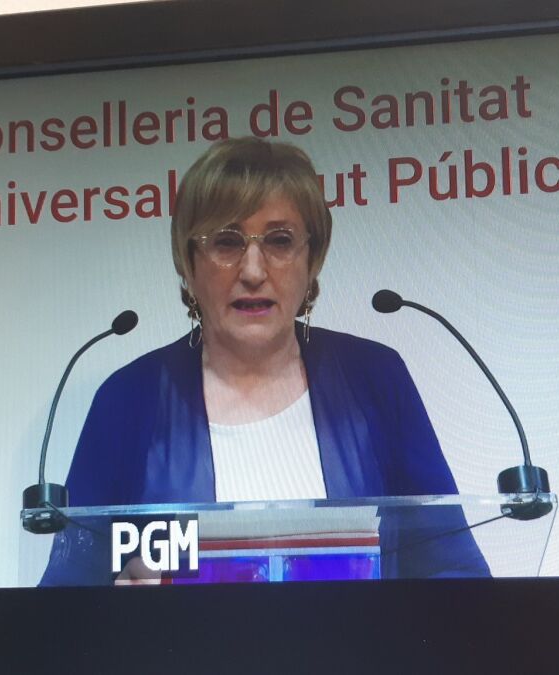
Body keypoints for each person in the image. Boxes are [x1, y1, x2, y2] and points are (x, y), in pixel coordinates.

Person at [40, 137, 487, 586]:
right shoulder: (127, 400)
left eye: (279, 241)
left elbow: (456, 573)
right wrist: (119, 601)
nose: (253, 271)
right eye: (226, 242)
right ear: (188, 263)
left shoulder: (376, 379)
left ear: (312, 259)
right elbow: (63, 602)